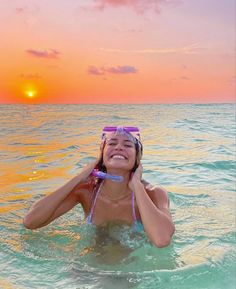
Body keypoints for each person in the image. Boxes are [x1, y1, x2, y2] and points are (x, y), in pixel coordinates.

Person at [23, 126, 175, 248]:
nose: (119, 147)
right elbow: (30, 222)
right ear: (102, 155)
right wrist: (78, 178)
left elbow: (161, 240)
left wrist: (137, 186)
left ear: (137, 158)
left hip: (131, 275)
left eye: (127, 145)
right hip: (86, 270)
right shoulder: (87, 192)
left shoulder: (153, 193)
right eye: (112, 143)